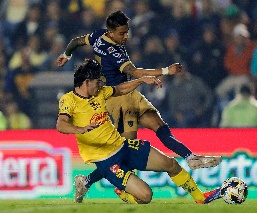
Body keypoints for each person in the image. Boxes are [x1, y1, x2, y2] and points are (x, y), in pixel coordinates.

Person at [57, 10, 221, 199]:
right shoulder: (114, 51)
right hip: (115, 99)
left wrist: (66, 54)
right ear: (110, 32)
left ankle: (190, 157)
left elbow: (76, 42)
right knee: (122, 152)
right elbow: (134, 72)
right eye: (121, 33)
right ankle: (102, 184)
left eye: (127, 32)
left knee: (158, 124)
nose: (126, 36)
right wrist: (167, 70)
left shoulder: (97, 36)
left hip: (128, 91)